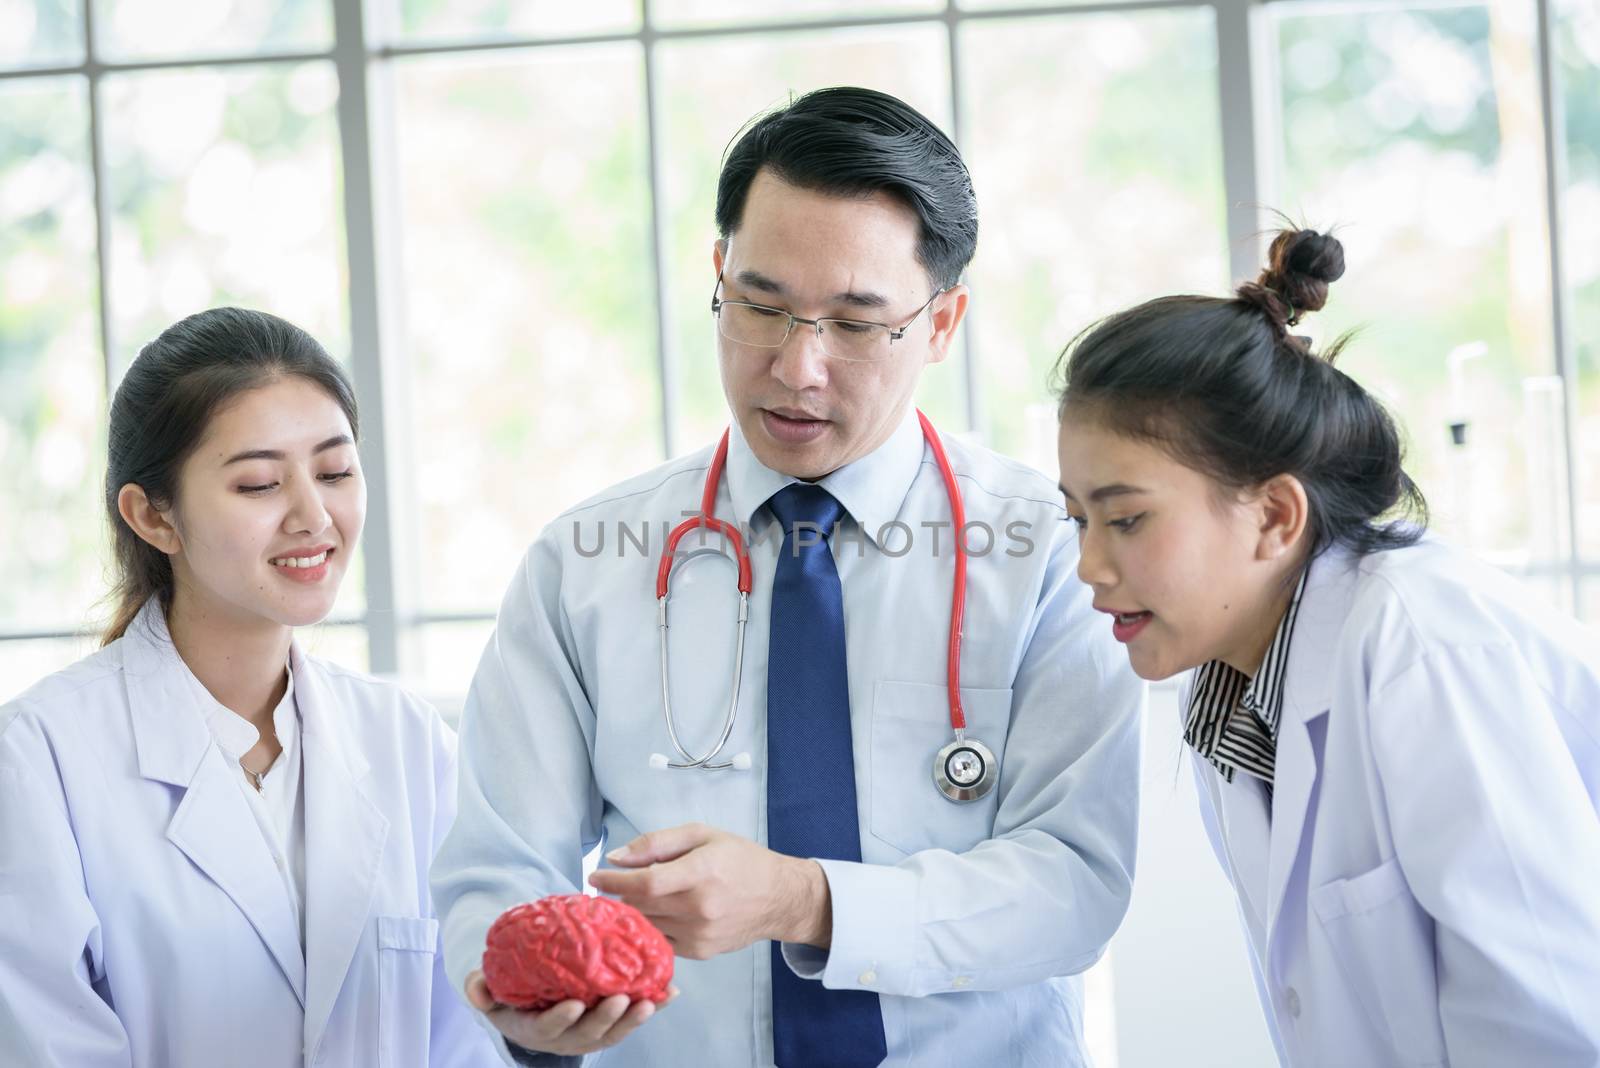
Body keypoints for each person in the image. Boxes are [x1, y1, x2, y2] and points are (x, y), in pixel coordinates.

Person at [431, 86, 1145, 1067]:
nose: (797, 367)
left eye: (856, 324)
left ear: (942, 323)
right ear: (718, 274)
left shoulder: (1047, 555)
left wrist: (803, 900)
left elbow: (1072, 886)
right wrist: (522, 1005)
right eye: (761, 306)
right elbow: (500, 868)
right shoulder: (582, 567)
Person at [1054, 227, 1600, 1066]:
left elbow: (1552, 1024)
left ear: (1275, 515)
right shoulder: (1233, 690)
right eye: (1078, 519)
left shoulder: (1422, 648)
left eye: (1126, 519)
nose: (1089, 564)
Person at [0, 308, 501, 1067]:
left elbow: (470, 1041)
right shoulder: (40, 760)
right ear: (152, 516)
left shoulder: (406, 742)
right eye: (261, 483)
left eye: (335, 472)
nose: (313, 515)